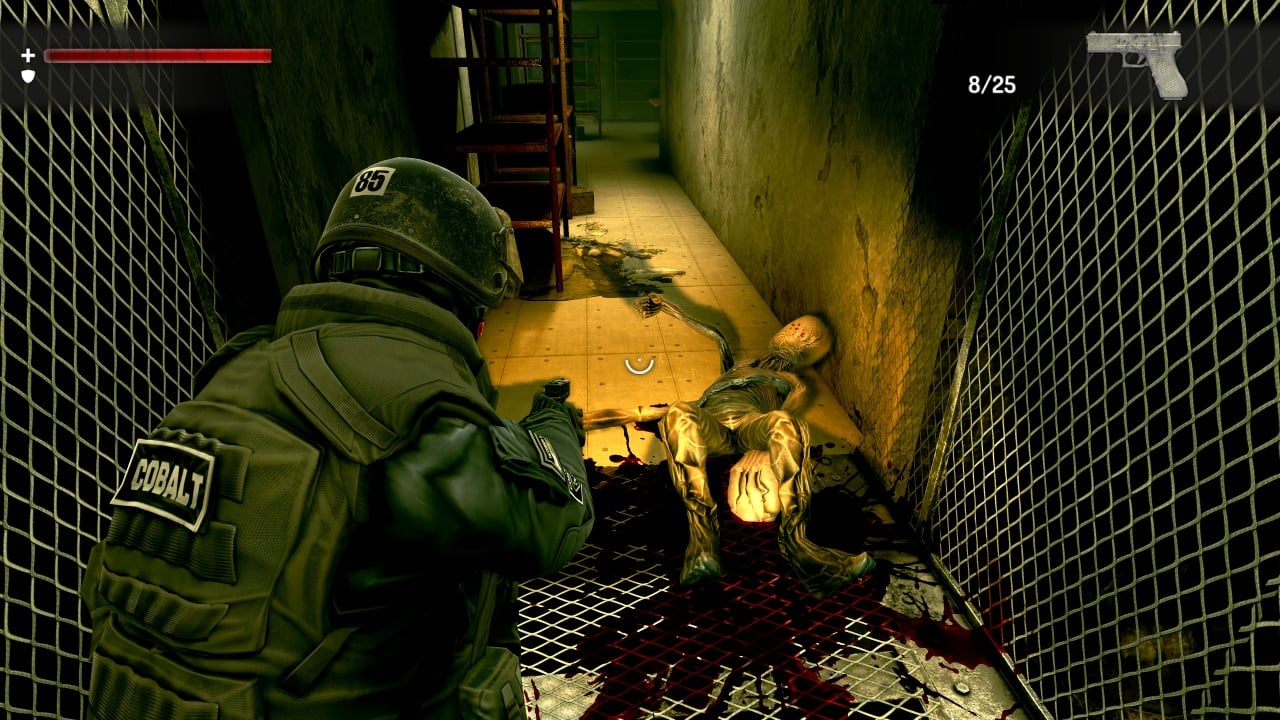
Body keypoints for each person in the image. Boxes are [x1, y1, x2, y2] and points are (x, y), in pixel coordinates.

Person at [79, 158, 593, 719]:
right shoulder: (414, 415)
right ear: (462, 304)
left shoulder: (237, 370)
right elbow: (555, 520)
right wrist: (555, 425)